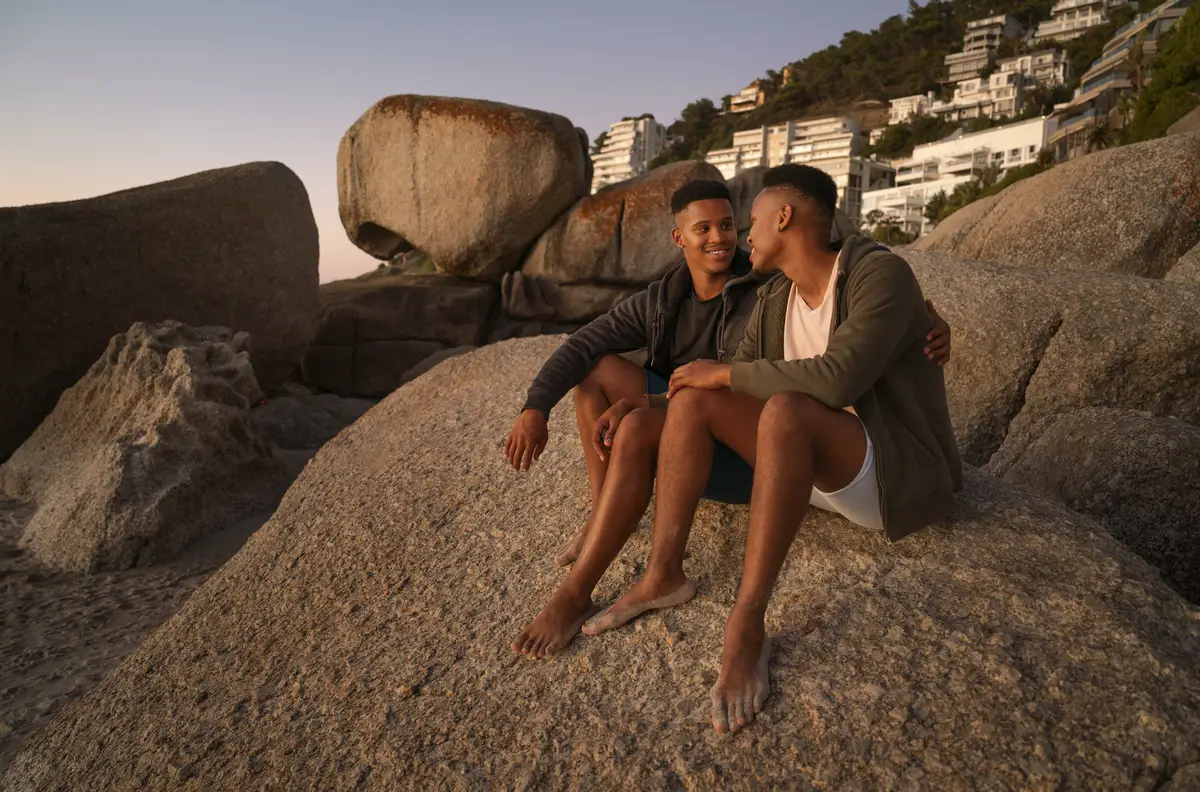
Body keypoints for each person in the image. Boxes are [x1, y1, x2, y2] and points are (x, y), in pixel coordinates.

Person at [580, 164, 964, 735]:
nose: (745, 235)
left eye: (752, 220)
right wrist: (643, 404)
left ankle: (747, 625)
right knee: (697, 400)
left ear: (784, 216)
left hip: (883, 472)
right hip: (805, 470)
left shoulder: (878, 274)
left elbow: (837, 380)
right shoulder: (777, 295)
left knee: (783, 409)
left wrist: (722, 375)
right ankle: (664, 574)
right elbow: (723, 386)